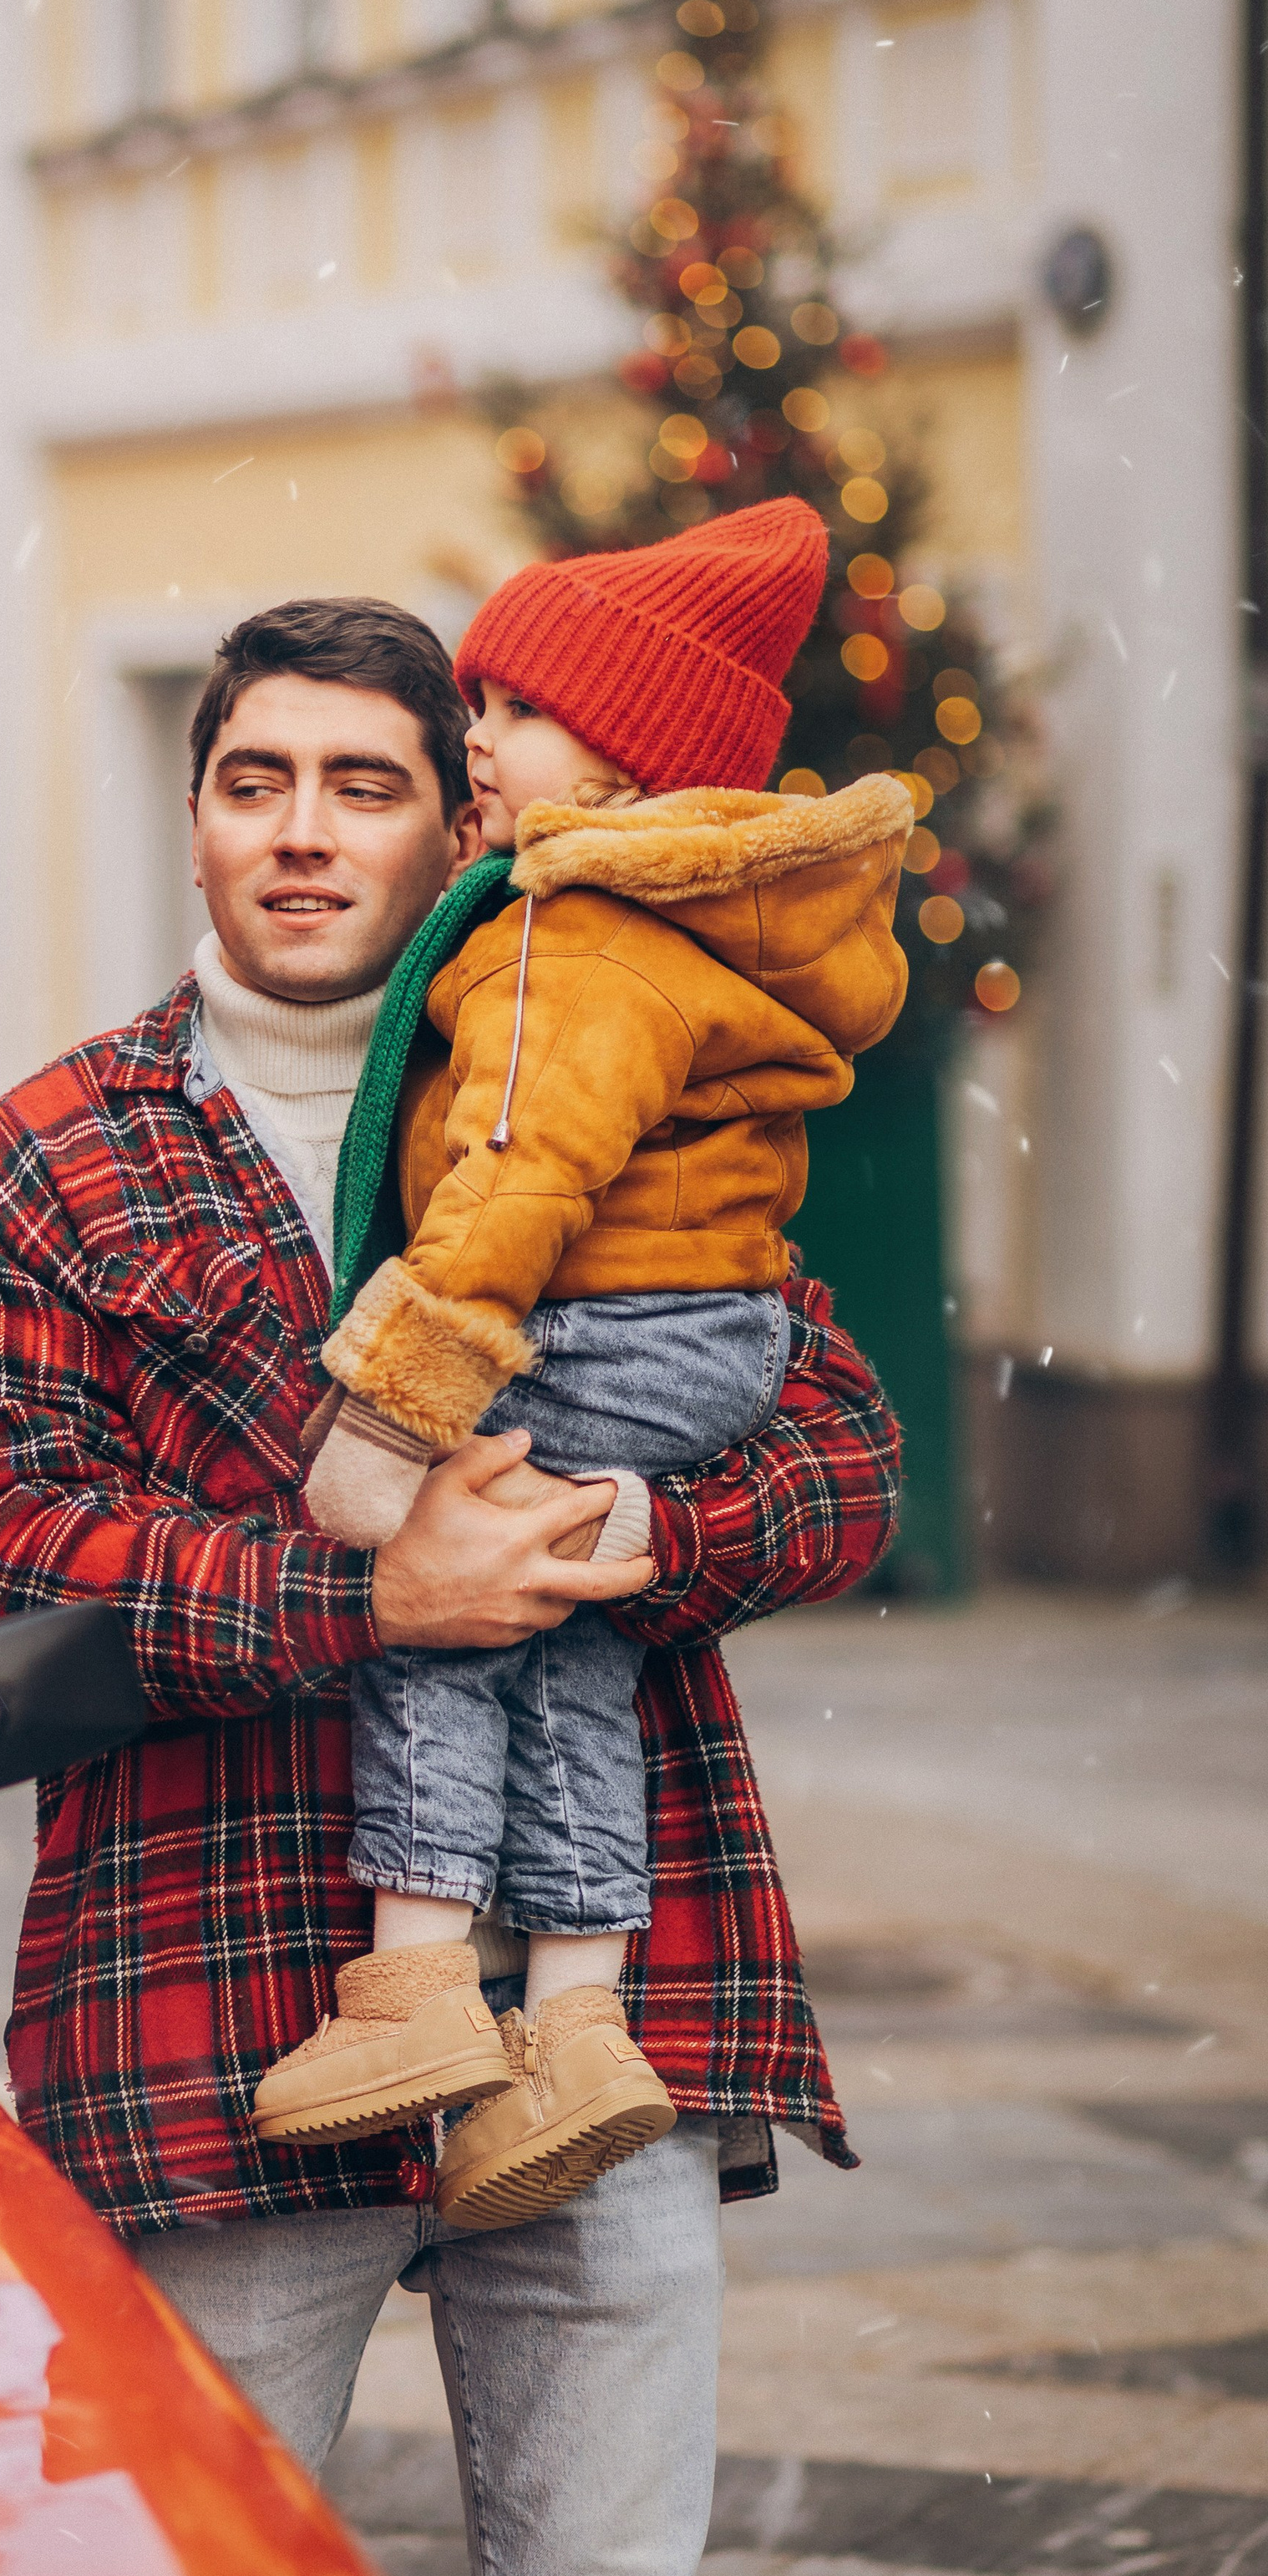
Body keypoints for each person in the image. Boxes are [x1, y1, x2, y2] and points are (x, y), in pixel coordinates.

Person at [0, 591, 898, 2576]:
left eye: (363, 784)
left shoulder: (622, 1059)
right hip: (219, 2010)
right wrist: (372, 1596)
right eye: (253, 780)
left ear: (461, 819)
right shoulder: (42, 1164)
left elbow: (839, 1455)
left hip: (597, 2030)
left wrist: (634, 1535)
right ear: (193, 817)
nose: (302, 831)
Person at [255, 506, 912, 2240]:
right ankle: (572, 2020)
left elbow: (513, 1184)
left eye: (517, 711)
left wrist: (394, 1413)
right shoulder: (677, 923)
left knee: (442, 1589)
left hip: (594, 1332)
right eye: (475, 704)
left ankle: (412, 1987)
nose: (477, 738)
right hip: (698, 1337)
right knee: (560, 1646)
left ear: (626, 758)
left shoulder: (569, 934)